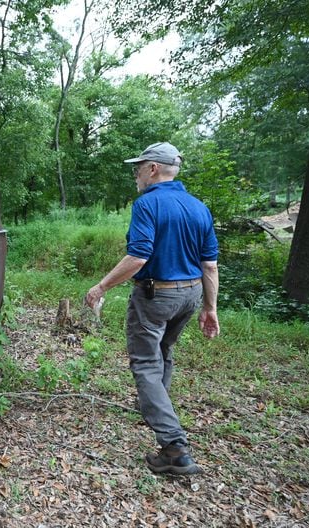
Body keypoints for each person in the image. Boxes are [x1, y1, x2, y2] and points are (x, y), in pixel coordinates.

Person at [85, 142, 220, 475]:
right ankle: (153, 404)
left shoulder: (147, 204)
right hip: (189, 295)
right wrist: (210, 307)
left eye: (139, 168)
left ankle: (174, 448)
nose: (136, 175)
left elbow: (138, 257)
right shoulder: (198, 207)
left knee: (146, 362)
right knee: (164, 349)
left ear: (153, 169)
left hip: (156, 294)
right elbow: (210, 265)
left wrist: (101, 287)